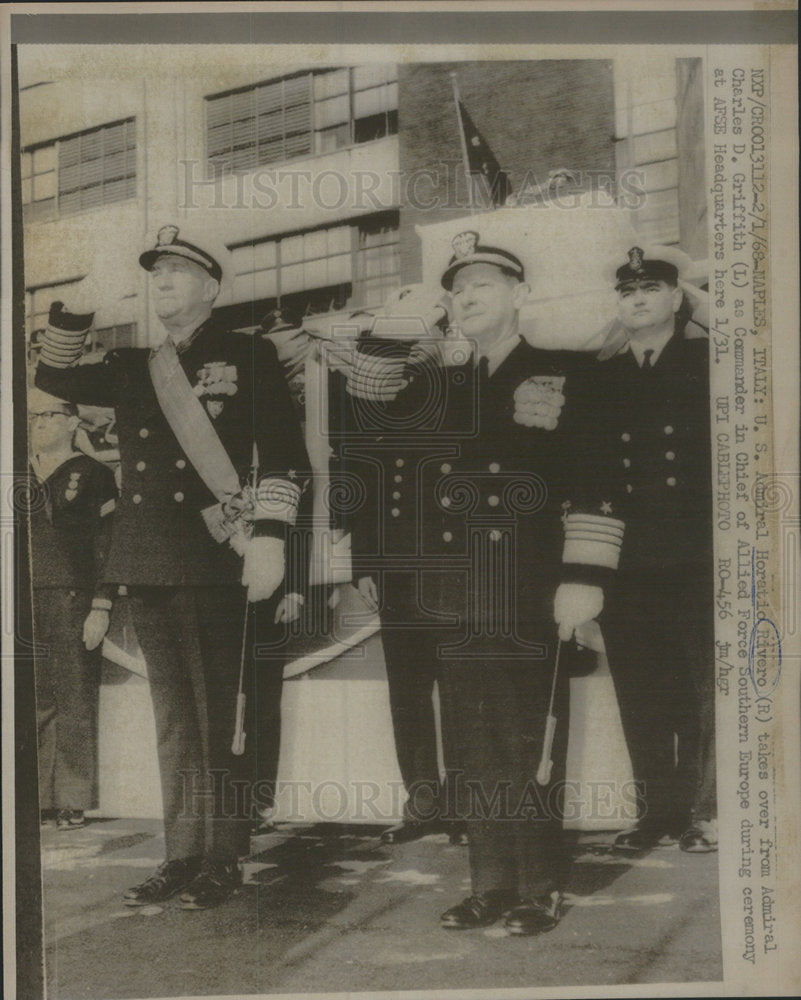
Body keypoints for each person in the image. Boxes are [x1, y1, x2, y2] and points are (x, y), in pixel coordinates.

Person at [36, 224, 311, 909]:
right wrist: (78, 308)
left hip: (217, 558)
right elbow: (49, 373)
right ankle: (182, 854)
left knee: (220, 716)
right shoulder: (133, 365)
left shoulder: (250, 354)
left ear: (211, 288)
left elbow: (284, 456)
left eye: (176, 272)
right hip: (150, 558)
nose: (161, 283)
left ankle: (223, 856)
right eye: (154, 273)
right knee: (174, 720)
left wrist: (272, 538)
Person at [373, 231, 588, 935]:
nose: (465, 297)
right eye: (457, 289)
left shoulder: (558, 370)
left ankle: (539, 886)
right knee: (470, 742)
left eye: (483, 285)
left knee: (527, 739)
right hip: (455, 593)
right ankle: (490, 883)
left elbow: (593, 483)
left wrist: (582, 577)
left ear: (519, 293)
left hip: (527, 587)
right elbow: (379, 423)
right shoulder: (444, 383)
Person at [554, 244, 716, 854]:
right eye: (626, 292)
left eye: (650, 289)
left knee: (705, 688)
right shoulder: (600, 377)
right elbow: (585, 469)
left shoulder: (711, 363)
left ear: (676, 299)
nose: (637, 300)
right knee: (642, 688)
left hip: (698, 554)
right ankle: (655, 811)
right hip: (625, 558)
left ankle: (704, 812)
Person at [28, 383, 118, 831]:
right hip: (24, 599)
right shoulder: (16, 473)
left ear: (70, 422)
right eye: (34, 418)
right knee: (35, 698)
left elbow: (107, 545)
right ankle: (39, 798)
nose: (40, 425)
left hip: (72, 597)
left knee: (75, 697)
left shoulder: (93, 473)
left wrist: (101, 604)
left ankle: (73, 798)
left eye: (48, 417)